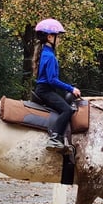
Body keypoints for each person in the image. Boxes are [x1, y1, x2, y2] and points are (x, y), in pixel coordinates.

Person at [32, 18, 81, 152]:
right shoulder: (50, 56)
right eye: (57, 36)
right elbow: (52, 80)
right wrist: (72, 88)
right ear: (49, 37)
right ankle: (54, 139)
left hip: (45, 90)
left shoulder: (46, 53)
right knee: (67, 110)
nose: (59, 40)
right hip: (45, 91)